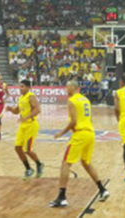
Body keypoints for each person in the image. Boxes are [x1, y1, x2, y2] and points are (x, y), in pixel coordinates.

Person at [50, 80, 110, 208]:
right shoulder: (85, 100)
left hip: (80, 134)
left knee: (66, 163)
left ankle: (62, 197)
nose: (66, 89)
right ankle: (102, 189)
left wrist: (61, 133)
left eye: (67, 86)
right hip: (90, 133)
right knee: (86, 162)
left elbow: (73, 121)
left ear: (73, 87)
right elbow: (90, 119)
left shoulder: (72, 100)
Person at [6, 79, 43, 179]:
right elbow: (17, 111)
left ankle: (39, 164)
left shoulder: (31, 96)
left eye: (22, 86)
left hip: (31, 125)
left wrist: (26, 117)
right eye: (20, 86)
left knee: (27, 150)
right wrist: (11, 109)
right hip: (23, 125)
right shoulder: (21, 98)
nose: (20, 88)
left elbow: (38, 109)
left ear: (27, 87)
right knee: (17, 148)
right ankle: (28, 169)